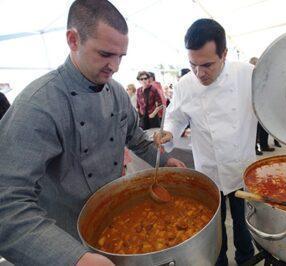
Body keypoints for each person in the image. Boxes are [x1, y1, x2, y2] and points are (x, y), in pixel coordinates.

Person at [0, 1, 185, 265]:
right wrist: (73, 258)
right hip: (63, 238)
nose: (115, 66)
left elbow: (135, 136)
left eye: (121, 56)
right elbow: (6, 204)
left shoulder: (118, 93)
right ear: (73, 40)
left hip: (114, 222)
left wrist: (165, 161)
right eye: (105, 54)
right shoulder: (38, 104)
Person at [154, 18, 255, 266]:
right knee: (213, 229)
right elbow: (176, 118)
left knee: (244, 225)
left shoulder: (247, 75)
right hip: (208, 169)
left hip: (241, 167)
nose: (200, 73)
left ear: (224, 55)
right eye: (193, 64)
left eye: (207, 64)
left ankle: (246, 259)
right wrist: (168, 132)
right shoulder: (185, 85)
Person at [249, 57, 280, 155]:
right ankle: (254, 148)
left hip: (263, 107)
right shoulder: (249, 77)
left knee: (264, 127)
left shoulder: (262, 76)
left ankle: (264, 145)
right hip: (252, 108)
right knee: (254, 129)